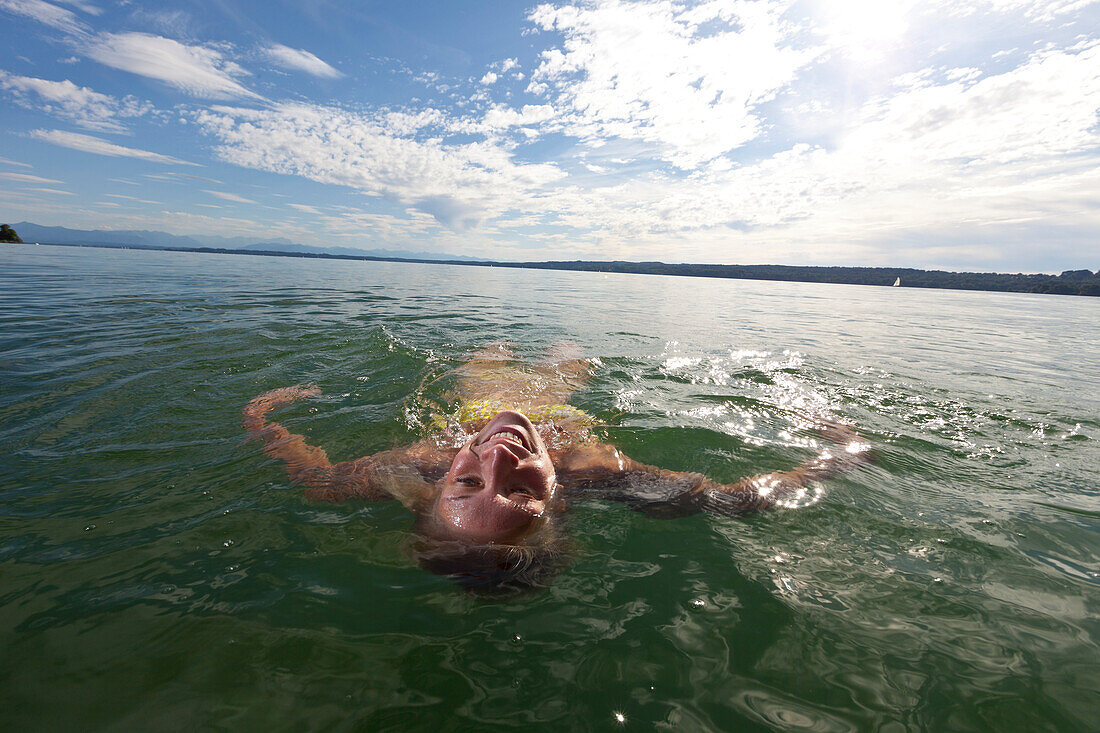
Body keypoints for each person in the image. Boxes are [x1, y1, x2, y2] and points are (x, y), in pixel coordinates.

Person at [243, 344, 871, 589]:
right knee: (571, 363)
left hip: (474, 400)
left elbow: (314, 477)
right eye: (519, 487)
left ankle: (503, 359)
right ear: (558, 500)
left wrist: (261, 415)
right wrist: (843, 451)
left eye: (468, 479)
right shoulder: (595, 469)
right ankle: (561, 362)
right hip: (554, 407)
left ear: (433, 487)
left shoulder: (416, 462)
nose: (499, 453)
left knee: (482, 362)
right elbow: (740, 499)